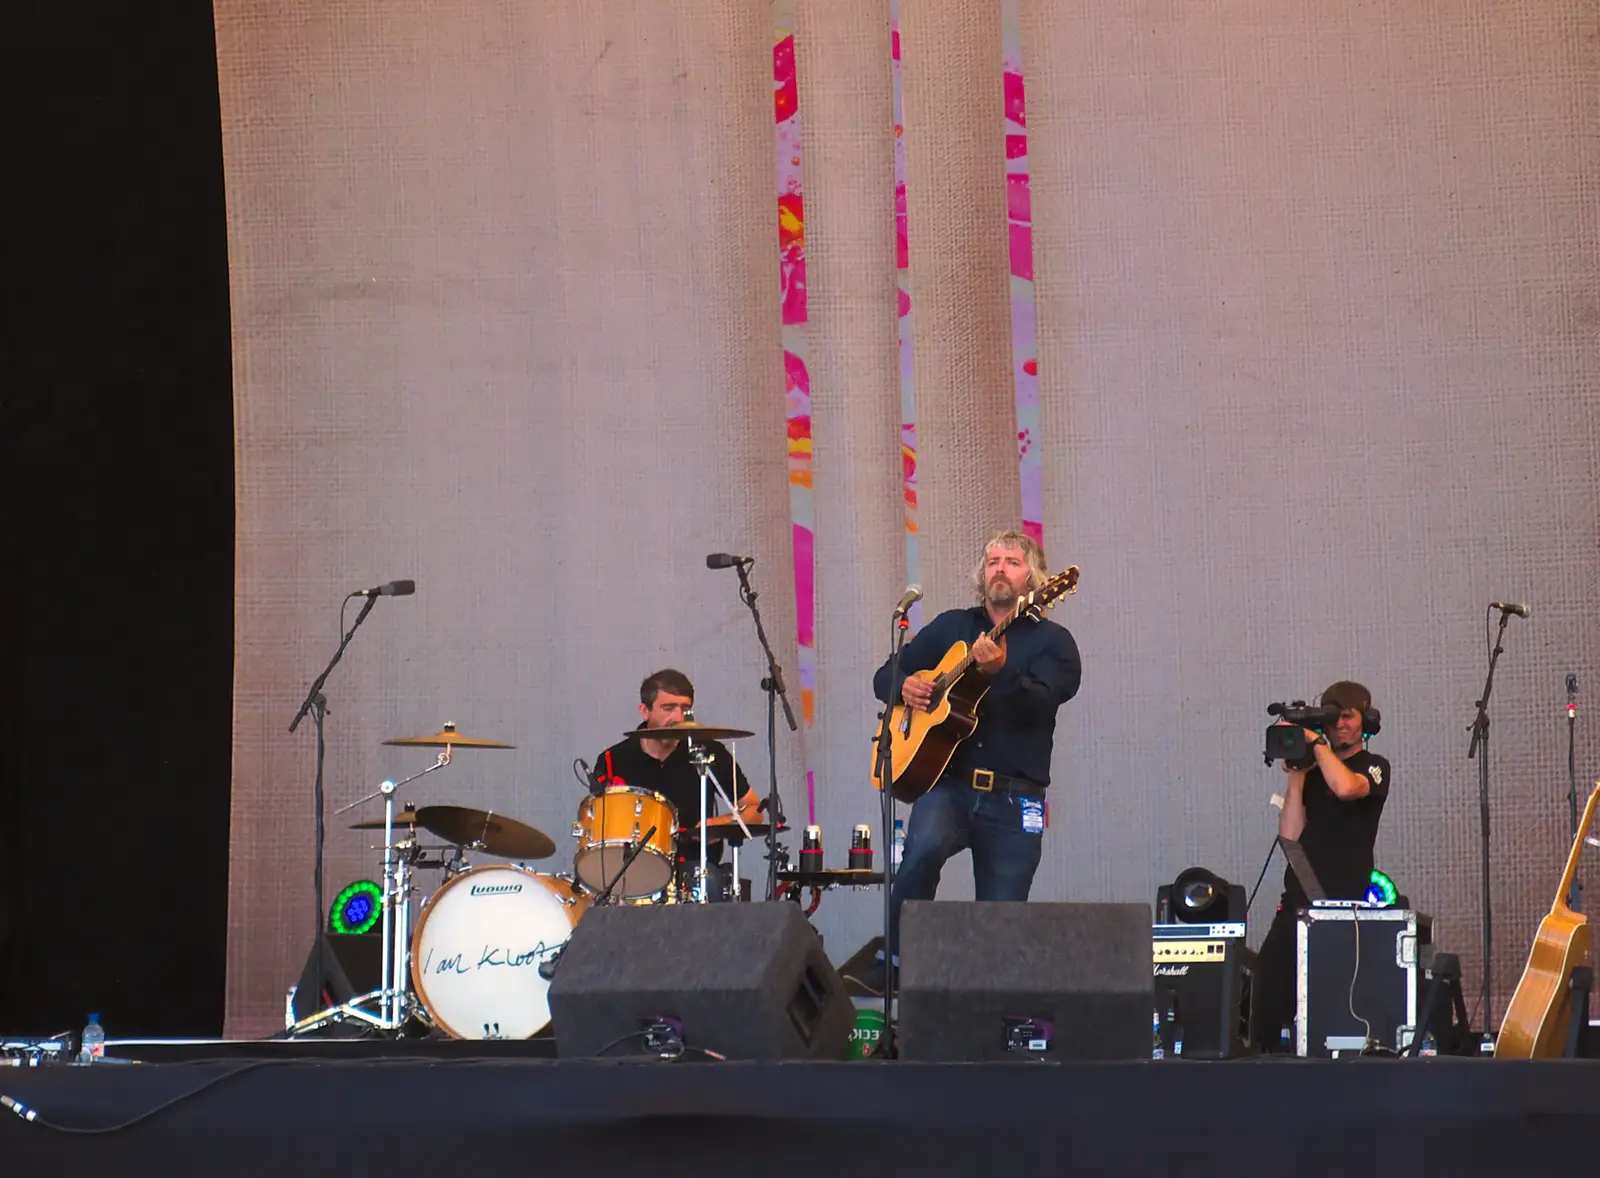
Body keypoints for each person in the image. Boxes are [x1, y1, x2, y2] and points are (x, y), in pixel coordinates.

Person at [847, 529, 1082, 996]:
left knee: (1001, 915)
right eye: (993, 560)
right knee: (919, 853)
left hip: (1016, 797)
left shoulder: (1054, 642)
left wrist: (1001, 673)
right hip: (948, 785)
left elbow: (1042, 704)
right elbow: (885, 674)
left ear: (1035, 578)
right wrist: (906, 686)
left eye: (1013, 562)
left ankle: (990, 1005)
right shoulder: (953, 625)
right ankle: (894, 961)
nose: (1000, 568)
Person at [1252, 680, 1391, 1051]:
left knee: (1333, 995)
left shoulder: (1374, 766)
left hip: (1345, 904)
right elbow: (1290, 836)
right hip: (1299, 897)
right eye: (1332, 719)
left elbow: (1347, 789)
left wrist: (1314, 743)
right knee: (1267, 986)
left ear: (1367, 721)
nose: (1339, 725)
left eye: (1347, 716)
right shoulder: (1313, 773)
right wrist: (1298, 772)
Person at [592, 669, 761, 888]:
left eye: (685, 708)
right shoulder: (613, 760)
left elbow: (754, 810)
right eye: (668, 708)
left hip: (695, 872)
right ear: (645, 711)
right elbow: (601, 829)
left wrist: (720, 823)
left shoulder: (708, 752)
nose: (678, 718)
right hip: (632, 870)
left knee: (714, 885)